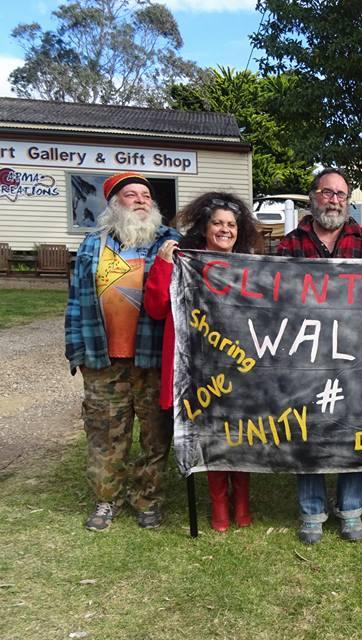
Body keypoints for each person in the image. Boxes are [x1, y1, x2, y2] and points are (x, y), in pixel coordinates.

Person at [65, 171, 181, 531]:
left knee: (155, 435)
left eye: (146, 195)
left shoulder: (171, 243)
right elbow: (76, 303)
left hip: (152, 358)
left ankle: (147, 499)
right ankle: (106, 500)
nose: (141, 200)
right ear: (115, 204)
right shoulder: (91, 245)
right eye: (131, 195)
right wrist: (76, 352)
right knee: (105, 436)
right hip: (103, 359)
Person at [277, 167, 362, 544]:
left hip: (356, 353)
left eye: (341, 194)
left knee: (355, 428)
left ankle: (351, 510)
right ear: (313, 197)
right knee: (310, 428)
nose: (334, 200)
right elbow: (276, 300)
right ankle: (311, 511)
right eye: (327, 193)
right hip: (307, 356)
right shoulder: (290, 245)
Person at [144, 192, 258, 533]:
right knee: (208, 434)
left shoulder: (250, 265)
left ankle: (242, 503)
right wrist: (164, 267)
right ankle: (219, 506)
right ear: (205, 228)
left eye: (231, 225)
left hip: (239, 362)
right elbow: (155, 308)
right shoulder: (182, 262)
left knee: (240, 434)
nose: (225, 230)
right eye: (218, 223)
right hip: (197, 364)